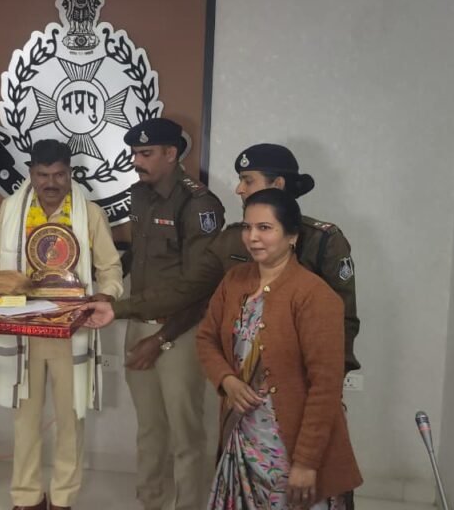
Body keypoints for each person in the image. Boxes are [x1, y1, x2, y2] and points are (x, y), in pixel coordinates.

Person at [0, 139, 123, 510]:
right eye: (43, 174)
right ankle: (27, 497)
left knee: (71, 418)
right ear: (31, 173)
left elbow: (110, 268)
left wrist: (107, 294)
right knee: (26, 419)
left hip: (71, 330)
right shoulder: (12, 209)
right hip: (23, 328)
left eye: (59, 174)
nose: (51, 182)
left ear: (70, 173)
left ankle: (63, 498)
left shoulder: (89, 213)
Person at [113, 143, 361, 374]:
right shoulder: (232, 239)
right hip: (241, 374)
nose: (239, 189)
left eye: (248, 180)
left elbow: (343, 320)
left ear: (277, 184)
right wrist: (116, 308)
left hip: (300, 375)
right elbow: (187, 288)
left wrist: (329, 377)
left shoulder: (322, 241)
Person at [196, 188, 362, 509]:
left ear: (292, 236)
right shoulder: (234, 281)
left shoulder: (315, 296)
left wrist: (306, 463)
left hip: (293, 447)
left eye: (265, 228)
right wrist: (226, 380)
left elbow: (325, 386)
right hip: (242, 436)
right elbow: (206, 338)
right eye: (247, 227)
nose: (252, 237)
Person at [122, 117, 226, 510]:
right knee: (149, 429)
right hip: (139, 326)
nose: (137, 161)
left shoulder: (199, 204)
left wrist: (162, 339)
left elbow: (201, 287)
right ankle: (151, 502)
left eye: (145, 153)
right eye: (135, 153)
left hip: (179, 334)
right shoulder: (140, 195)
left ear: (171, 153)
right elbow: (138, 257)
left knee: (186, 435)